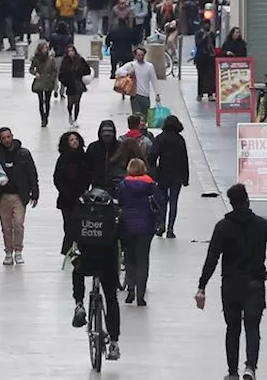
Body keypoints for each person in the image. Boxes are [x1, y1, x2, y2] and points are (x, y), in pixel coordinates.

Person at [196, 183, 267, 380]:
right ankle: (251, 368)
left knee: (232, 327)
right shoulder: (262, 225)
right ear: (247, 200)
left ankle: (232, 373)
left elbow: (212, 258)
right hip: (255, 283)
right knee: (253, 326)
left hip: (230, 284)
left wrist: (202, 285)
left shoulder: (222, 227)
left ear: (230, 203)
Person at [70, 187, 124, 361]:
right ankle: (114, 343)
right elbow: (121, 235)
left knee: (77, 271)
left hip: (86, 258)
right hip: (107, 260)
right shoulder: (112, 212)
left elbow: (71, 232)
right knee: (111, 300)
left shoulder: (82, 208)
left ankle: (79, 304)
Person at [115, 158, 158, 307]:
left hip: (127, 225)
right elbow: (160, 203)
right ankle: (141, 295)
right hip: (146, 226)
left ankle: (130, 288)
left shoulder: (123, 185)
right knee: (143, 260)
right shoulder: (151, 185)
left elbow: (119, 202)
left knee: (130, 258)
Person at [0, 126, 39, 265]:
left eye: (8, 137)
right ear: (0, 139)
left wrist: (35, 192)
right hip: (3, 196)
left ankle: (18, 251)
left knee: (18, 224)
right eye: (3, 138)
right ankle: (8, 252)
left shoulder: (23, 154)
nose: (6, 140)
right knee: (6, 226)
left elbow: (32, 173)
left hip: (20, 196)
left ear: (12, 136)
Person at [148, 114, 190, 238]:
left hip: (163, 174)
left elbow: (152, 156)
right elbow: (184, 160)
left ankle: (161, 225)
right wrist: (185, 178)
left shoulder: (160, 139)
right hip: (177, 176)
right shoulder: (180, 140)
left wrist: (153, 171)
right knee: (173, 202)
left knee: (162, 201)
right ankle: (170, 229)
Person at [54, 131, 91, 256]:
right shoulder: (62, 159)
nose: (74, 142)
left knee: (81, 225)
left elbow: (88, 176)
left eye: (76, 139)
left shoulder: (84, 157)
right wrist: (66, 191)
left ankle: (79, 247)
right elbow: (57, 178)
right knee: (69, 225)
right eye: (71, 140)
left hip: (81, 197)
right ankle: (67, 249)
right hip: (66, 199)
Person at [114, 46, 159, 117]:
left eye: (142, 55)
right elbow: (118, 72)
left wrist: (157, 93)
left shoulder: (149, 66)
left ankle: (143, 127)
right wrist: (127, 73)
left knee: (145, 116)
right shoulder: (131, 65)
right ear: (135, 55)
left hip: (146, 95)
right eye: (139, 55)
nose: (141, 57)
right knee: (136, 116)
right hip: (135, 95)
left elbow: (154, 80)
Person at [58, 44, 91, 127]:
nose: (71, 53)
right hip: (70, 85)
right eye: (69, 51)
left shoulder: (80, 60)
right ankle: (70, 115)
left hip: (79, 84)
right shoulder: (65, 62)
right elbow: (61, 74)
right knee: (70, 104)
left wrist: (83, 75)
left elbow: (87, 70)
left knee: (77, 102)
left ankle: (75, 119)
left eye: (72, 51)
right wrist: (65, 81)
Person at [29, 41, 58, 127]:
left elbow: (54, 70)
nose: (45, 50)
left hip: (49, 82)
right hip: (40, 82)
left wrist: (52, 78)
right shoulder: (36, 59)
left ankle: (46, 116)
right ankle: (42, 118)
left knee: (48, 101)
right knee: (41, 101)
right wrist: (35, 73)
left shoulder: (51, 59)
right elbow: (31, 69)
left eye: (46, 48)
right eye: (43, 48)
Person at [85, 120, 121, 189]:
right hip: (97, 186)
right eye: (104, 131)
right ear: (100, 133)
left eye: (110, 131)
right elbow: (87, 168)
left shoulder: (120, 147)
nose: (107, 134)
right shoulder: (93, 147)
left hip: (116, 186)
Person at [194, 20, 217, 101]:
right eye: (205, 24)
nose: (207, 26)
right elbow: (198, 44)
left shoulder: (212, 34)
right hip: (201, 58)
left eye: (208, 24)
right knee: (201, 76)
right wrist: (204, 37)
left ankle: (210, 94)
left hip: (210, 58)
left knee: (210, 76)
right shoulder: (198, 34)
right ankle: (200, 94)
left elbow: (213, 46)